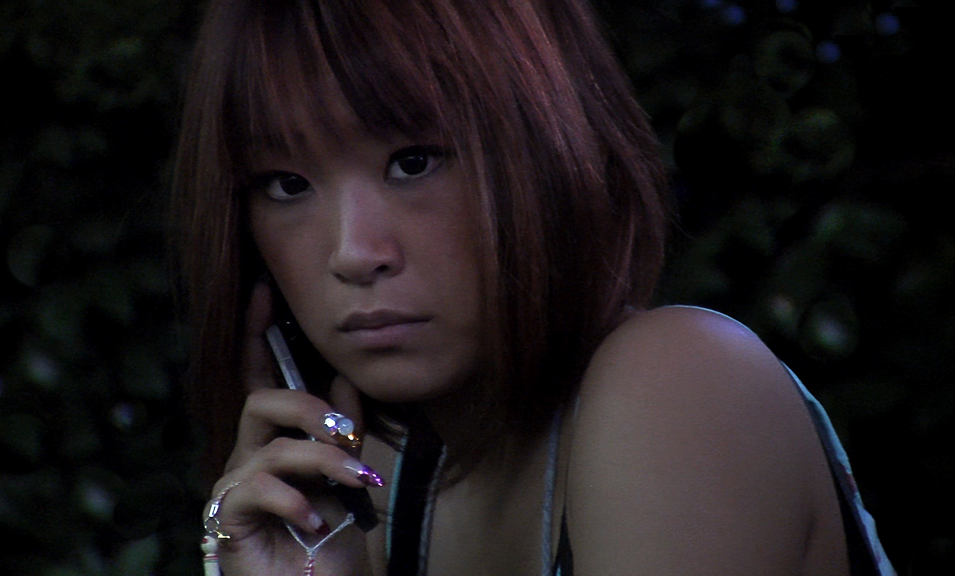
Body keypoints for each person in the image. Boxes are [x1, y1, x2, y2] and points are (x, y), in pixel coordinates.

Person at [174, 0, 894, 574]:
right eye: (287, 184)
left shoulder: (683, 383)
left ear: (549, 151)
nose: (355, 253)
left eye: (415, 162)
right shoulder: (351, 492)